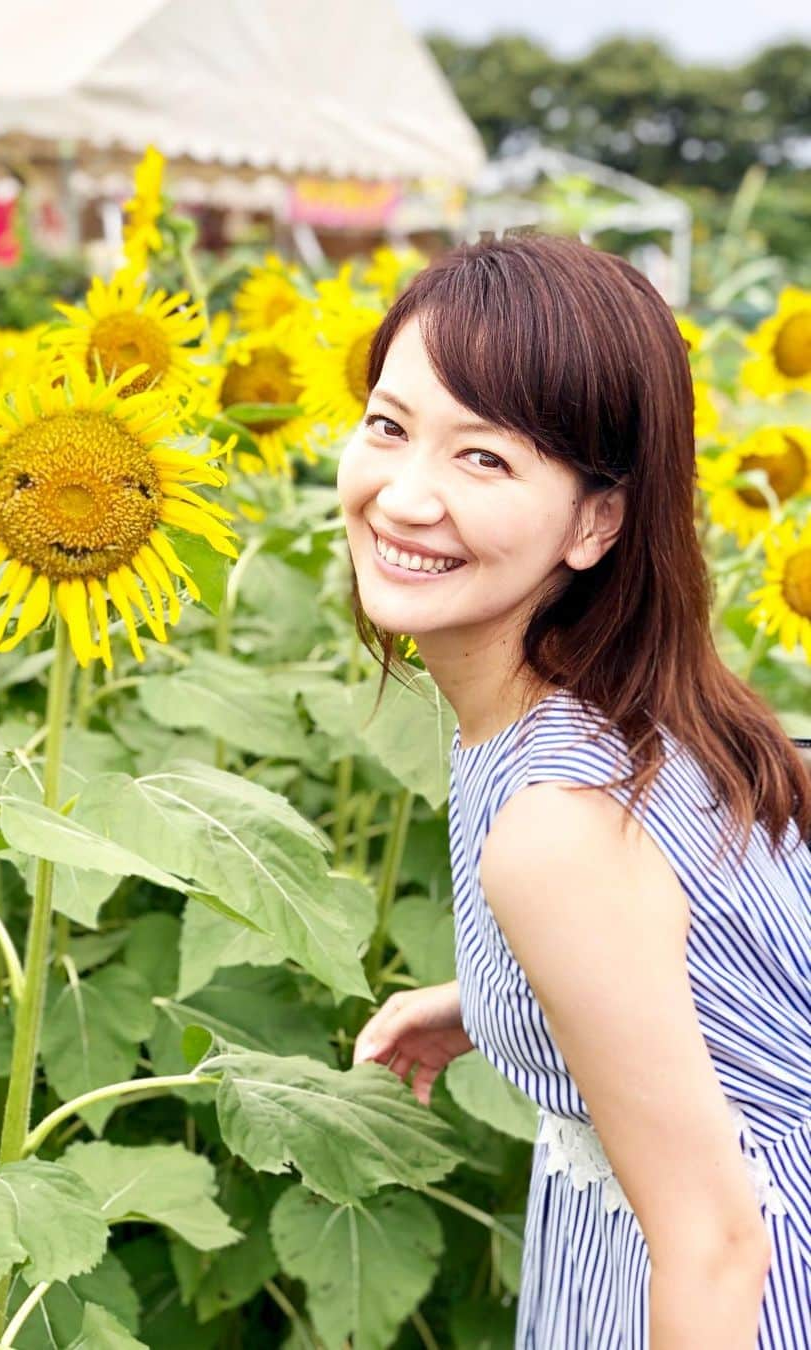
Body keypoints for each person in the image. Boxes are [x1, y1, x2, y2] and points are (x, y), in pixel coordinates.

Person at [340, 232, 811, 1349]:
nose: (405, 497)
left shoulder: (556, 829)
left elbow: (715, 1239)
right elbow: (702, 925)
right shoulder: (636, 709)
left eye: (485, 459)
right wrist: (496, 1001)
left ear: (599, 519)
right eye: (390, 426)